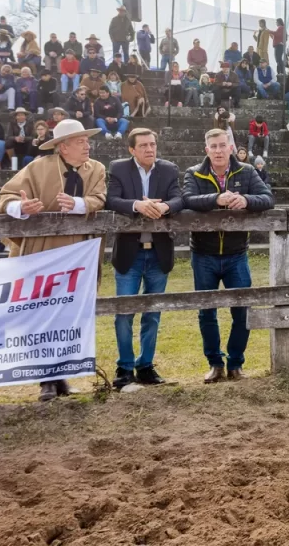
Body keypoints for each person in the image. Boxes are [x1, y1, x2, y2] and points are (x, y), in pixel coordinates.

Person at [0, 118, 107, 401]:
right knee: (42, 314)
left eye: (87, 140)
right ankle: (46, 379)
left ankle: (62, 377)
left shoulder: (96, 169)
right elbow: (6, 196)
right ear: (62, 147)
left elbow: (100, 198)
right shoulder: (37, 168)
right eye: (80, 141)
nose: (87, 146)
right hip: (43, 254)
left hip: (79, 254)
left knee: (69, 314)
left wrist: (79, 204)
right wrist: (21, 207)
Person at [183, 128, 274, 383]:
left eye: (223, 145)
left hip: (236, 254)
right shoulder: (194, 173)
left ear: (231, 147)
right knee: (206, 312)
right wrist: (217, 199)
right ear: (206, 150)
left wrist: (245, 200)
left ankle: (235, 364)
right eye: (213, 146)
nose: (219, 150)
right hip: (203, 253)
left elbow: (268, 198)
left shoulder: (246, 171)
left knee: (242, 310)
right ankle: (215, 364)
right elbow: (188, 199)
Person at [105, 127, 184, 389]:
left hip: (159, 253)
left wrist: (165, 206)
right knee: (124, 312)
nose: (150, 149)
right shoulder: (118, 168)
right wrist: (137, 206)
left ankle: (146, 365)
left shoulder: (169, 169)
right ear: (131, 149)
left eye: (152, 144)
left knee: (153, 313)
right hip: (130, 253)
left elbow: (179, 198)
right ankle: (125, 367)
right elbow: (111, 200)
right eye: (143, 146)